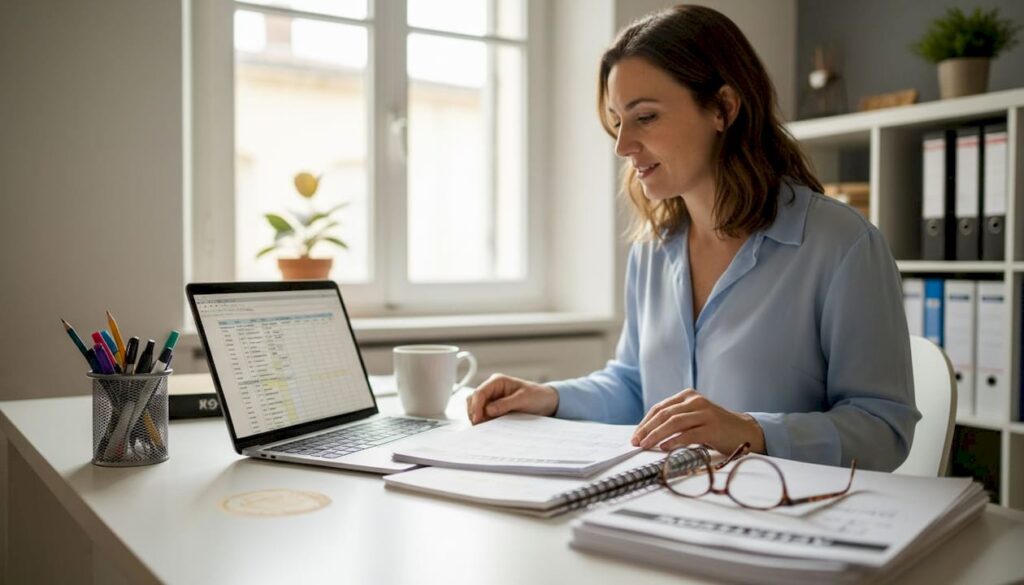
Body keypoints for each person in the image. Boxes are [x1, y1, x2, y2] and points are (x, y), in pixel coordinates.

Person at [466, 5, 920, 471]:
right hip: (670, 505)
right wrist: (549, 397)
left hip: (788, 519)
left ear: (723, 108)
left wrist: (753, 432)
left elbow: (884, 430)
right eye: (617, 120)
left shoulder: (842, 246)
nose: (622, 145)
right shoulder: (652, 249)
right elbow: (635, 387)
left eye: (645, 117)